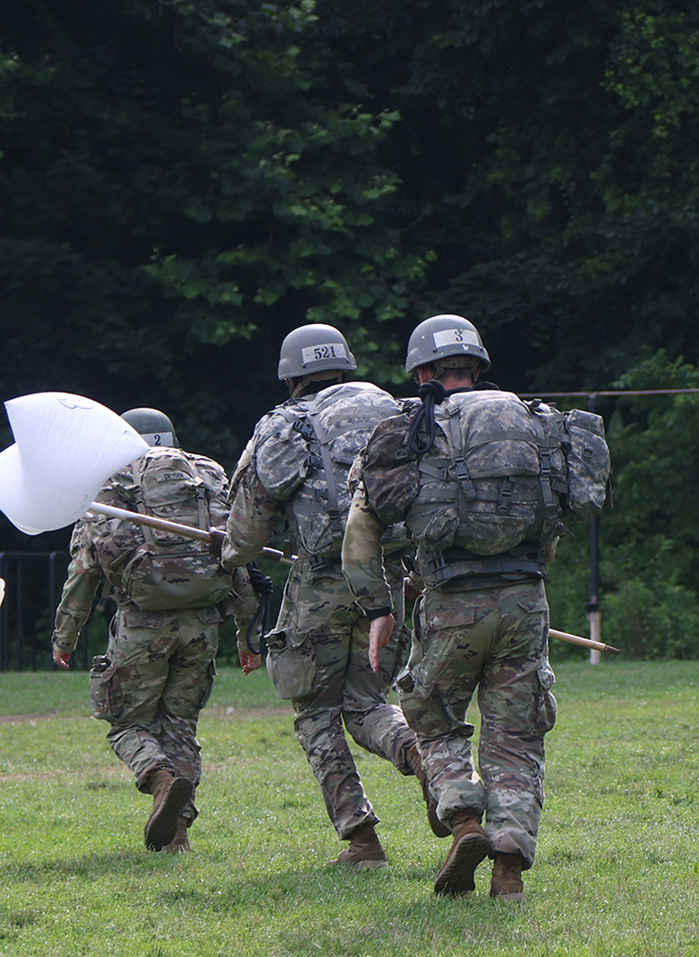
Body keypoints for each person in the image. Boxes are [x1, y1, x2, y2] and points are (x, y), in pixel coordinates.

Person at [343, 314, 609, 902]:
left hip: (449, 602)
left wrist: (378, 608)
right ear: (479, 367)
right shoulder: (533, 421)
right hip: (526, 598)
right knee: (516, 735)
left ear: (423, 371)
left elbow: (361, 533)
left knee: (433, 719)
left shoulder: (409, 428)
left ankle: (465, 821)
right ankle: (508, 870)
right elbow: (557, 518)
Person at [222, 325, 438, 868]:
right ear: (344, 364)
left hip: (319, 581)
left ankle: (363, 843)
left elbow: (247, 532)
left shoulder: (282, 425)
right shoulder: (393, 408)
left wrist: (229, 555)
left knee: (315, 712)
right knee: (366, 701)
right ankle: (419, 754)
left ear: (291, 373)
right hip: (387, 579)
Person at [51, 413, 262, 853]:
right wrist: (247, 635)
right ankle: (177, 834)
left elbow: (85, 571)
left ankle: (160, 779)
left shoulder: (109, 485)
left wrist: (65, 637)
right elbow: (234, 553)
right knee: (180, 725)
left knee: (126, 721)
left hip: (141, 625)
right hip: (203, 622)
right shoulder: (202, 476)